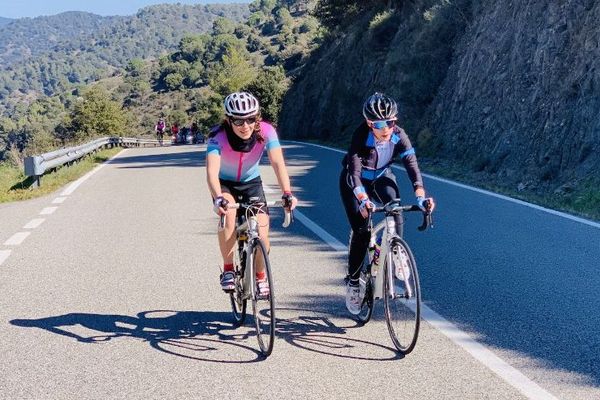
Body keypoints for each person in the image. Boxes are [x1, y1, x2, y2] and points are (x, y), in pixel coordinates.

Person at [339, 92, 435, 315]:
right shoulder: (361, 135)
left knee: (395, 205)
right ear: (369, 123)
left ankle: (393, 250)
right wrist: (363, 199)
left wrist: (421, 196)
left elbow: (412, 166)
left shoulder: (399, 136)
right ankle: (354, 283)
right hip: (356, 182)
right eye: (380, 124)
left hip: (381, 176)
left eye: (390, 122)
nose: (386, 128)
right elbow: (353, 172)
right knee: (362, 230)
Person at [206, 91, 298, 296]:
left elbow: (277, 162)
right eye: (238, 121)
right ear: (228, 120)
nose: (245, 125)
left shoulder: (266, 131)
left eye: (250, 119)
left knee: (263, 237)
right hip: (225, 185)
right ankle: (229, 269)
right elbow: (211, 172)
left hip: (251, 184)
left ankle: (260, 276)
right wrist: (218, 197)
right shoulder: (217, 136)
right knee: (229, 216)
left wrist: (287, 192)